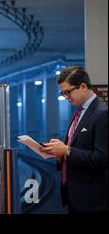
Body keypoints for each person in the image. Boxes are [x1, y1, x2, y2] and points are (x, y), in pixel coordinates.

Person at [40, 66, 108, 213]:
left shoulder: (102, 113)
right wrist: (60, 155)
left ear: (83, 86)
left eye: (68, 92)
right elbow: (79, 149)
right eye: (63, 93)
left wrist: (67, 150)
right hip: (75, 196)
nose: (66, 97)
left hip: (93, 200)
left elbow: (102, 158)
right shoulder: (79, 112)